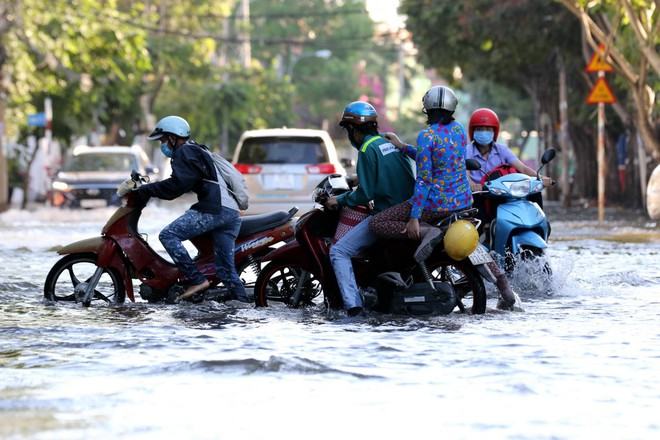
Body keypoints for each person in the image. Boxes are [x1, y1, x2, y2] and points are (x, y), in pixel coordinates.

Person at [132, 115, 248, 302]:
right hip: (230, 212)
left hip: (215, 210)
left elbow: (177, 186)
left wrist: (146, 190)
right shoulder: (196, 149)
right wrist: (150, 189)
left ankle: (196, 280)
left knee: (168, 235)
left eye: (163, 140)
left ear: (172, 137)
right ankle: (243, 305)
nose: (162, 145)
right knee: (225, 269)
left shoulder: (184, 152)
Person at [324, 101, 415, 316]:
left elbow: (365, 195)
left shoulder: (366, 149)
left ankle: (353, 308)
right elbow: (390, 174)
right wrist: (357, 179)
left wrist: (339, 200)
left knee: (338, 252)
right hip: (408, 209)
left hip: (387, 214)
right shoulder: (390, 142)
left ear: (353, 129)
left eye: (348, 130)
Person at [373, 85, 472, 262]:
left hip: (435, 205)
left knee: (376, 224)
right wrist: (403, 147)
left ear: (428, 109)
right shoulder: (459, 130)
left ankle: (428, 232)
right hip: (463, 202)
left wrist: (414, 217)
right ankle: (503, 285)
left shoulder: (427, 135)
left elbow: (424, 180)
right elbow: (437, 158)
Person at [466, 108, 554, 191]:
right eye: (480, 129)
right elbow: (465, 174)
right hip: (478, 195)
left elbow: (523, 168)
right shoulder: (467, 150)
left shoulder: (502, 150)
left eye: (488, 129)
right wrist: (472, 184)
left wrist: (541, 178)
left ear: (494, 132)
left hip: (501, 194)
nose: (484, 132)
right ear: (472, 131)